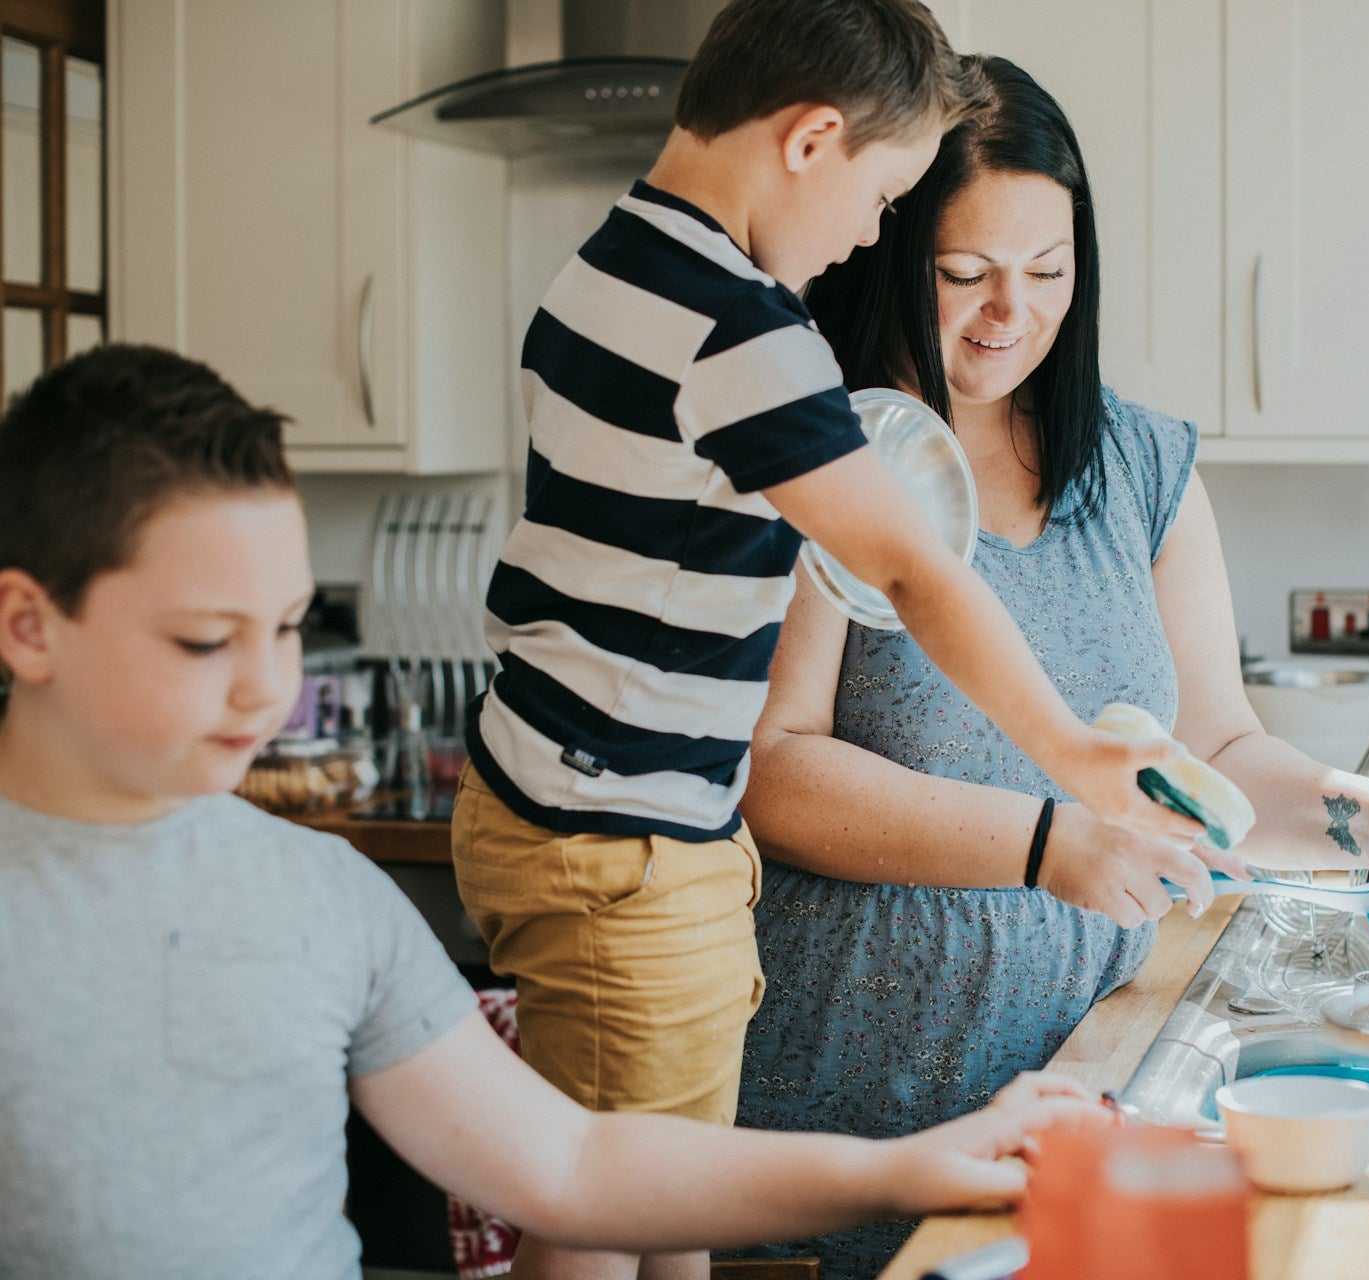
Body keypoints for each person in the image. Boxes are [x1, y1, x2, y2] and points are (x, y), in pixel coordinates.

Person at [0, 343, 1106, 1280]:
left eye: (289, 626)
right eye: (206, 639)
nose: (268, 688)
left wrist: (909, 1164)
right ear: (29, 624)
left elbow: (573, 1163)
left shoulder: (324, 896)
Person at [451, 5, 1202, 1279]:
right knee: (606, 1210)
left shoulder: (608, 264)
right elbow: (912, 565)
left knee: (658, 1205)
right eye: (884, 198)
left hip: (545, 805)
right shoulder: (748, 333)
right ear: (810, 141)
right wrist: (1070, 749)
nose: (871, 236)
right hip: (627, 844)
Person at [731, 58, 1369, 1278]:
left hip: (1085, 1082)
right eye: (964, 275)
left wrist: (1346, 804)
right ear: (890, 250)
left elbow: (1215, 751)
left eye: (1049, 272)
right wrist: (1046, 837)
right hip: (855, 1091)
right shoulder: (841, 454)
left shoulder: (1139, 469)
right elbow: (778, 771)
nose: (1009, 311)